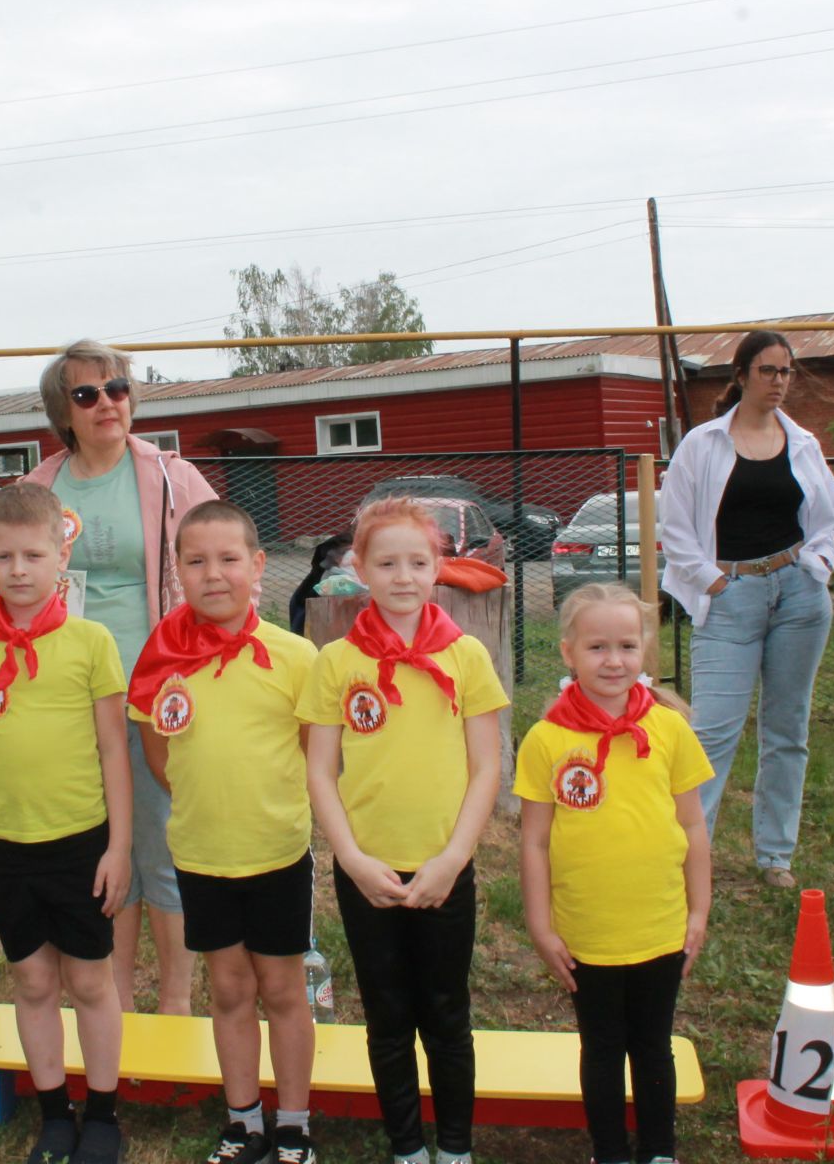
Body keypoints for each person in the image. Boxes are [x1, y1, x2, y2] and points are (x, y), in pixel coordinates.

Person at [299, 498, 510, 1164]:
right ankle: (407, 1148)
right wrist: (353, 859)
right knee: (388, 1017)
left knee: (447, 1013)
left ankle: (454, 1148)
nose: (402, 577)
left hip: (446, 868)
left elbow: (485, 771)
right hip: (368, 872)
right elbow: (320, 772)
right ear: (358, 569)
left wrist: (452, 859)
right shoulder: (335, 663)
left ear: (438, 568)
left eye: (417, 562)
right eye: (386, 563)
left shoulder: (467, 656)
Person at [0, 483, 132, 1164]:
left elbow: (113, 749)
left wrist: (120, 847)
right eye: (3, 556)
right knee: (35, 982)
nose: (18, 570)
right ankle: (54, 1113)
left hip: (81, 842)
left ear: (61, 555)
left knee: (90, 981)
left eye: (33, 555)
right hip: (4, 846)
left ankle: (102, 1114)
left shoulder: (91, 642)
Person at [25, 338, 217, 1014]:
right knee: (104, 846)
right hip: (71, 693)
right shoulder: (38, 489)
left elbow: (220, 559)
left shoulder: (172, 476)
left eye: (117, 389)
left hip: (158, 686)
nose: (106, 403)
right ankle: (112, 1001)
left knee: (162, 841)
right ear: (63, 411)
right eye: (87, 394)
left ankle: (174, 1002)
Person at [132, 501, 321, 1164]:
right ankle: (244, 1121)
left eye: (229, 559)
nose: (214, 575)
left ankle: (294, 1123)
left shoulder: (296, 658)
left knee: (283, 990)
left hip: (276, 854)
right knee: (231, 990)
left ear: (258, 566)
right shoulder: (161, 662)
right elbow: (159, 755)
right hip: (203, 856)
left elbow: (313, 755)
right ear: (177, 571)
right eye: (196, 561)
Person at [517, 583, 711, 1164]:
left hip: (660, 926)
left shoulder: (670, 731)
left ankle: (658, 1151)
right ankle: (609, 1152)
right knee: (601, 1047)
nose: (614, 660)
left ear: (644, 651)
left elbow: (694, 827)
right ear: (569, 653)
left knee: (653, 1046)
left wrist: (698, 911)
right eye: (598, 647)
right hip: (588, 934)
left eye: (627, 645)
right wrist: (540, 926)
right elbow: (534, 842)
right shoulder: (547, 740)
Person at [659, 330, 834, 887]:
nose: (779, 382)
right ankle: (690, 853)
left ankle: (775, 856)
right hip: (731, 597)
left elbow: (827, 518)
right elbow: (675, 526)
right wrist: (714, 582)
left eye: (786, 372)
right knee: (712, 730)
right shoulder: (703, 444)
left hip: (798, 595)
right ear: (741, 375)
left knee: (788, 730)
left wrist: (818, 566)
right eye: (768, 371)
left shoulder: (803, 442)